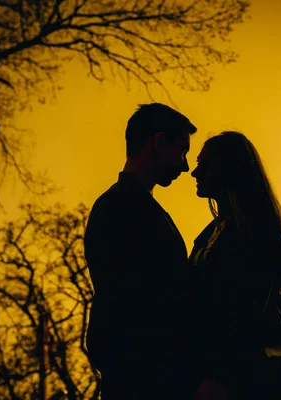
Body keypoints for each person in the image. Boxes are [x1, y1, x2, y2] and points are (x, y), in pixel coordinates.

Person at [84, 103, 197, 399]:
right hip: (145, 379)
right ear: (159, 143)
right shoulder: (127, 208)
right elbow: (142, 300)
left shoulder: (122, 205)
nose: (186, 166)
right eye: (182, 151)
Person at [190, 131, 281, 400]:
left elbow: (241, 313)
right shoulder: (216, 234)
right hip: (247, 368)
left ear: (227, 170)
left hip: (258, 371)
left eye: (203, 164)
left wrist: (219, 376)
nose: (194, 172)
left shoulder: (250, 235)